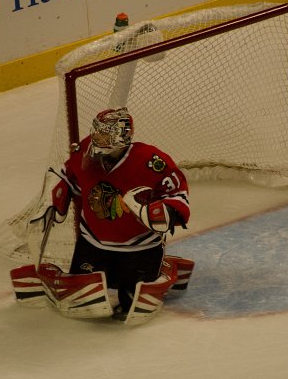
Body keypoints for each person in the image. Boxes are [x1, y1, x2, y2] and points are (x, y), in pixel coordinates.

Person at [47, 107, 190, 320]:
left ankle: (165, 269)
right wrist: (60, 199)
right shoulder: (86, 150)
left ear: (122, 136)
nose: (97, 137)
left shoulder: (151, 160)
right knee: (82, 300)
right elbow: (71, 177)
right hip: (92, 244)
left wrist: (166, 211)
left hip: (140, 247)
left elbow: (178, 192)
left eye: (105, 133)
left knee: (132, 302)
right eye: (97, 131)